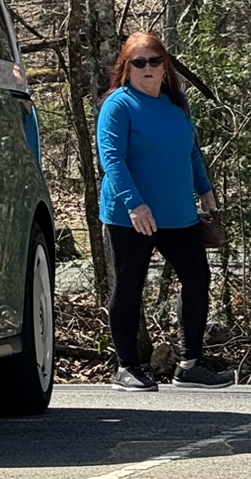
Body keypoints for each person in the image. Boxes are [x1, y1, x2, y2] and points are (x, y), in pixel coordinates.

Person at [96, 31, 234, 390]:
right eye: (138, 62)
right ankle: (127, 367)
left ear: (165, 65)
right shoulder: (118, 105)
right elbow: (112, 159)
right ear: (126, 67)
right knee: (129, 285)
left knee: (197, 277)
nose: (147, 68)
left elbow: (190, 150)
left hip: (177, 212)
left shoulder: (177, 102)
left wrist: (205, 190)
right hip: (131, 216)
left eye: (154, 61)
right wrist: (134, 204)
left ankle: (190, 364)